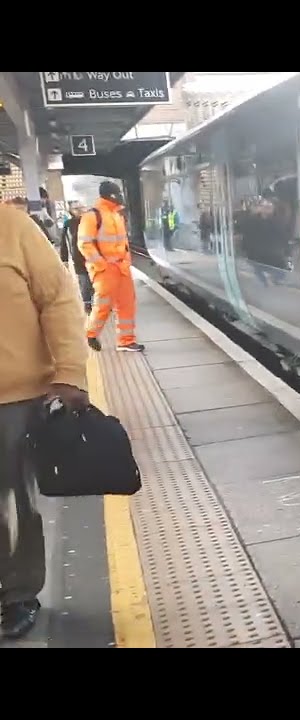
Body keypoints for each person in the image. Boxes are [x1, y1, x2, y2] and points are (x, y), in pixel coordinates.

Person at [0, 202, 90, 639]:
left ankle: (17, 592)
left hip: (13, 398)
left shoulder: (12, 227)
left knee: (17, 500)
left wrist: (70, 371)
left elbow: (58, 298)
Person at [80, 181, 144, 352]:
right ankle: (91, 333)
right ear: (110, 195)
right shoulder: (92, 216)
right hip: (105, 270)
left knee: (127, 304)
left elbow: (123, 243)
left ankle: (126, 340)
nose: (120, 196)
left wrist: (126, 261)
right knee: (103, 305)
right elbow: (84, 244)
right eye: (117, 193)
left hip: (122, 268)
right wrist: (101, 265)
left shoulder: (117, 215)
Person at [60, 207, 92, 313]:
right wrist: (64, 259)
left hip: (89, 256)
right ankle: (87, 304)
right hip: (80, 257)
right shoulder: (69, 223)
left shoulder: (92, 221)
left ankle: (91, 303)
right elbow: (64, 243)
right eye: (77, 209)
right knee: (84, 281)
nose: (81, 211)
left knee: (91, 280)